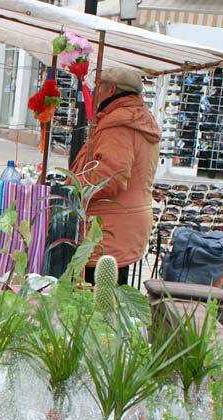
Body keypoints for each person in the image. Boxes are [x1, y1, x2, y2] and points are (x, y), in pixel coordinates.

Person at [70, 66, 161, 286]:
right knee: (111, 298)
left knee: (93, 303)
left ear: (110, 89)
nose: (94, 92)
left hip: (106, 227)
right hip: (125, 222)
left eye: (98, 87)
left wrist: (71, 188)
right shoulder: (137, 119)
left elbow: (110, 175)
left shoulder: (118, 124)